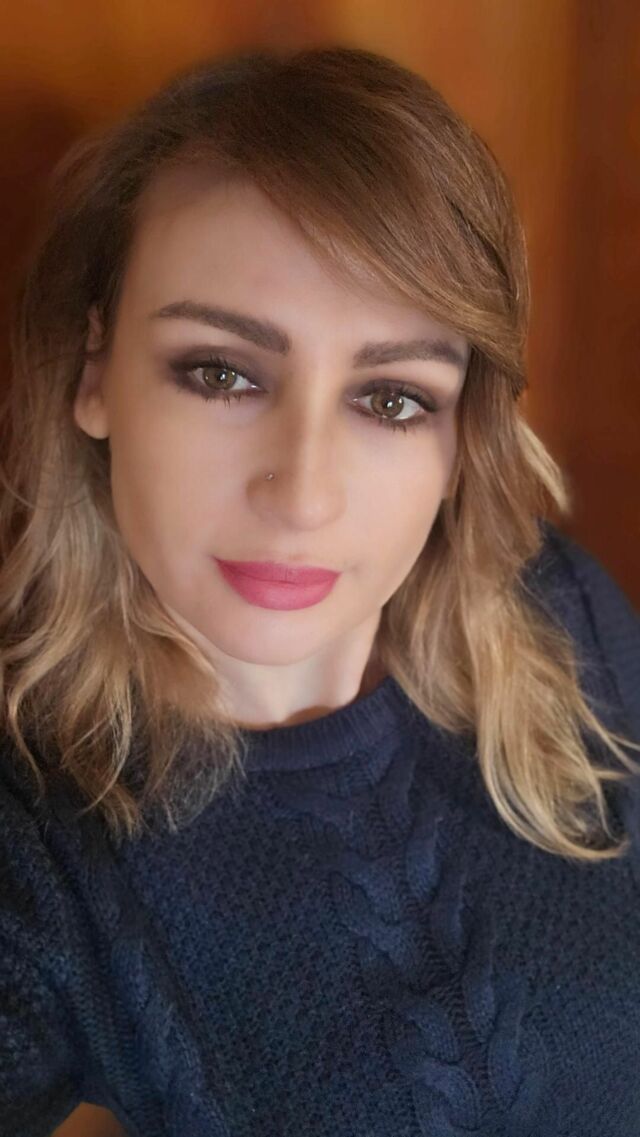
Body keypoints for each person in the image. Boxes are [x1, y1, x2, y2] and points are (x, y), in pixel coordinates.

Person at [0, 44, 639, 1137]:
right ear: (94, 369)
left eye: (390, 399)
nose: (301, 496)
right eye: (221, 373)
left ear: (463, 434)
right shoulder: (36, 836)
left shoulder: (560, 615)